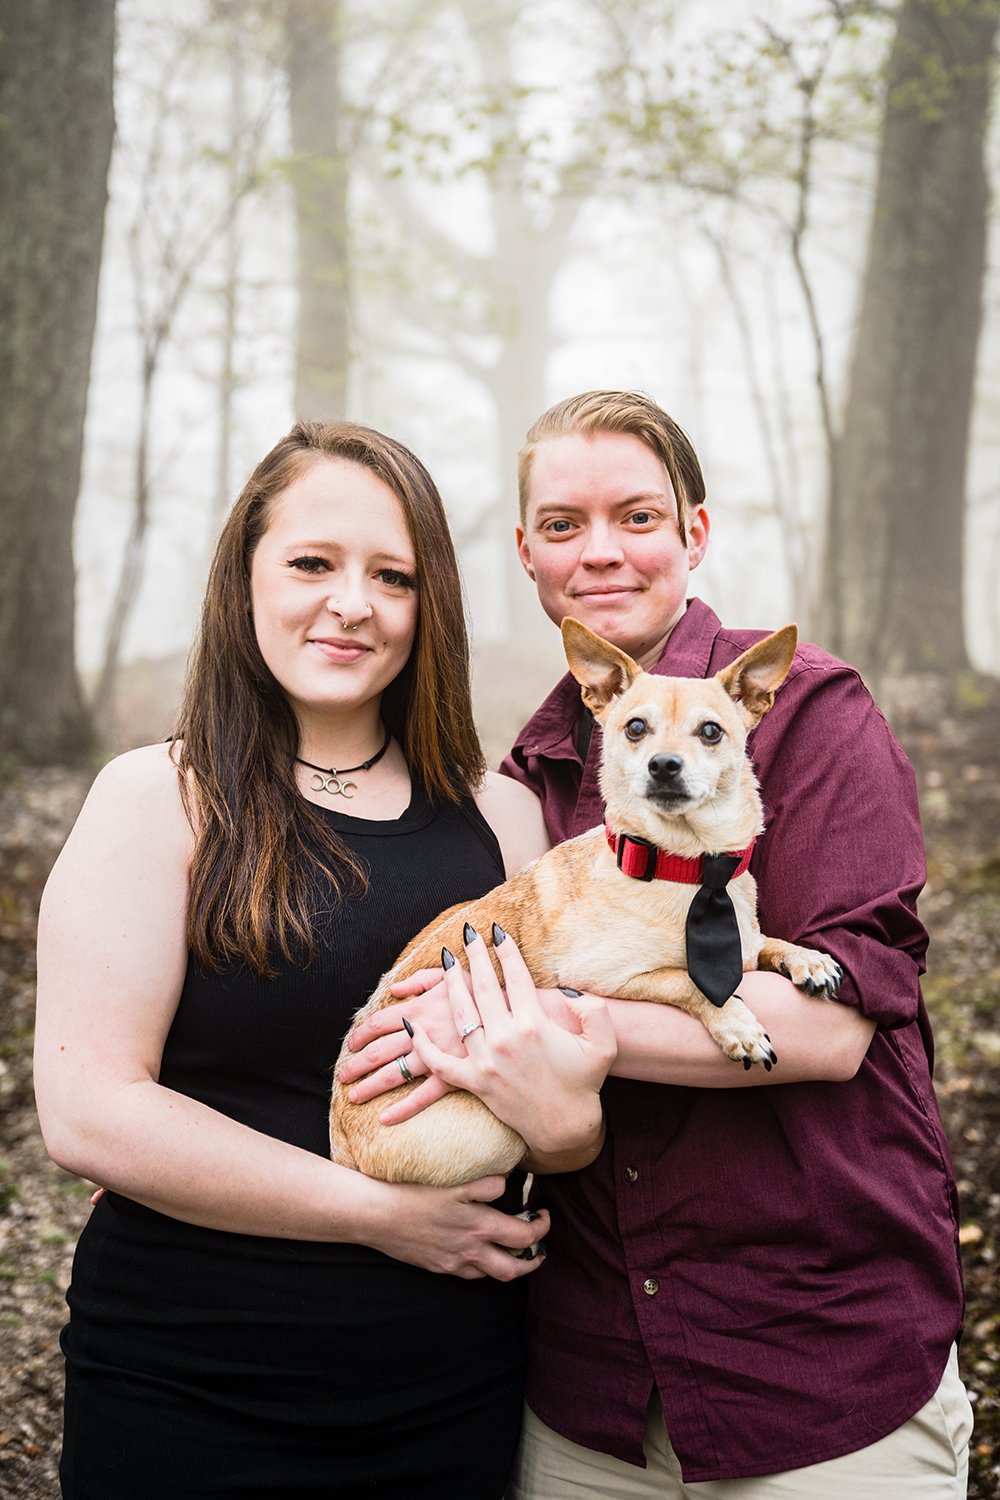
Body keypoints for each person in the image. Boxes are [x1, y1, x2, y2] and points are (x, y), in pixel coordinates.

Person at [342, 391, 972, 1498]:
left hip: (812, 1357)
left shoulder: (809, 713)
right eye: (561, 525)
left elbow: (827, 1028)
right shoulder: (526, 777)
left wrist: (537, 1022)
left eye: (636, 516)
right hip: (586, 1384)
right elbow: (432, 968)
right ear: (528, 556)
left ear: (694, 531)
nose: (600, 553)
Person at [33, 419, 616, 1500]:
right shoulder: (159, 799)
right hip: (194, 1390)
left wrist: (569, 1130)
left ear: (426, 606)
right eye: (311, 563)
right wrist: (387, 1219)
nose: (351, 602)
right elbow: (89, 1111)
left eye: (391, 576)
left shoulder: (503, 822)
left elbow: (561, 1111)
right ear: (243, 578)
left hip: (454, 1395)